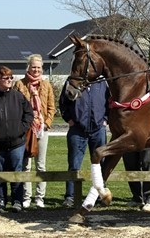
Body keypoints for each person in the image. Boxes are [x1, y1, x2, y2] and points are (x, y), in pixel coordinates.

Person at [0, 66, 34, 213]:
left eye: (11, 77)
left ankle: (17, 201)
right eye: (6, 78)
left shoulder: (18, 96)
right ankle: (0, 201)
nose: (9, 80)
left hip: (17, 143)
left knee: (16, 171)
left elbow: (29, 114)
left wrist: (21, 129)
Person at [14, 54, 56, 209]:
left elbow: (51, 107)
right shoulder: (19, 84)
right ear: (28, 67)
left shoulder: (46, 85)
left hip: (42, 129)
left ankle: (40, 197)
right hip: (26, 129)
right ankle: (26, 196)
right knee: (26, 164)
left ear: (42, 69)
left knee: (41, 165)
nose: (36, 70)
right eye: (33, 67)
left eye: (38, 67)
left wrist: (47, 123)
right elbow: (15, 106)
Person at [59, 80, 109, 208]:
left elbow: (109, 102)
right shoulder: (72, 82)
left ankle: (100, 195)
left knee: (101, 165)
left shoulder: (102, 83)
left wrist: (105, 120)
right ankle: (70, 197)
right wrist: (69, 120)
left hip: (98, 129)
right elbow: (63, 103)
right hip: (77, 130)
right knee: (74, 164)